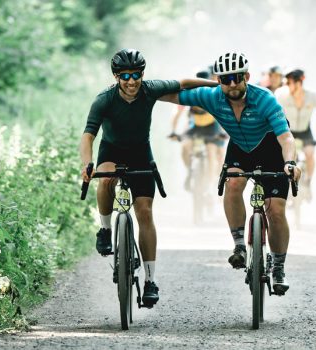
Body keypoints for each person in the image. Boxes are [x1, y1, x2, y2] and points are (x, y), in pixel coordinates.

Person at [79, 48, 217, 307]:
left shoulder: (150, 89)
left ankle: (150, 280)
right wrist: (87, 164)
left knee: (144, 212)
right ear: (116, 76)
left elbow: (183, 83)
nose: (131, 81)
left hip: (141, 153)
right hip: (111, 150)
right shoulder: (104, 100)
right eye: (125, 75)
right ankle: (105, 230)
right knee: (106, 178)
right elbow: (88, 136)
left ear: (142, 74)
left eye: (136, 74)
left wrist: (216, 83)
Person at [161, 52, 302, 295]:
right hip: (240, 147)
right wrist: (139, 89)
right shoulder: (213, 96)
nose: (232, 84)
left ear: (247, 76)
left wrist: (289, 162)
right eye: (226, 79)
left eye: (237, 77)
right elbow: (174, 92)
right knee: (233, 184)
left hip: (271, 148)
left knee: (276, 210)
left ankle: (278, 267)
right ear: (219, 80)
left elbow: (286, 136)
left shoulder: (265, 99)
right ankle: (239, 246)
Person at [168, 69, 227, 191]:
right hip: (194, 128)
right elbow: (177, 113)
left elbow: (222, 114)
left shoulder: (214, 93)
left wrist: (222, 132)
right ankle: (190, 171)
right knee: (185, 147)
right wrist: (173, 131)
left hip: (212, 128)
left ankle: (211, 186)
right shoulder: (188, 93)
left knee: (211, 152)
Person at [275, 69, 316, 186]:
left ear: (299, 83)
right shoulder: (281, 94)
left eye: (289, 83)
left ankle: (308, 181)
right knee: (285, 156)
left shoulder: (313, 96)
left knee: (309, 153)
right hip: (288, 131)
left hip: (305, 131)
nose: (287, 86)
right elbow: (272, 113)